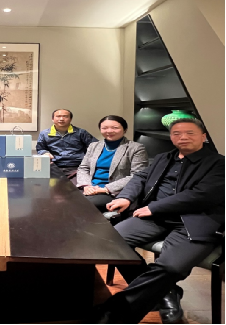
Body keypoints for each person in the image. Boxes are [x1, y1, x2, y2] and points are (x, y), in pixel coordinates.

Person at [90, 119, 225, 324]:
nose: (183, 137)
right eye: (177, 133)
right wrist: (126, 197)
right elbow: (140, 177)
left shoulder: (219, 163)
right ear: (171, 137)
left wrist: (154, 207)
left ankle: (114, 313)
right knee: (109, 243)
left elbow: (202, 195)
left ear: (203, 136)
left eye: (190, 133)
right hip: (154, 218)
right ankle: (167, 292)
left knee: (171, 267)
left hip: (193, 222)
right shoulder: (164, 157)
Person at [77, 115, 148, 212]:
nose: (109, 131)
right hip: (90, 187)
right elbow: (83, 168)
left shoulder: (136, 148)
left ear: (125, 129)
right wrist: (86, 185)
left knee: (80, 205)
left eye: (115, 128)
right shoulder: (94, 146)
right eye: (104, 128)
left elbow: (137, 175)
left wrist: (106, 189)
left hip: (114, 191)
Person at [36, 109, 98, 181]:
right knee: (46, 185)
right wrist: (45, 152)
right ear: (52, 119)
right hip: (53, 166)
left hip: (77, 167)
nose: (61, 119)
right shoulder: (44, 133)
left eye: (65, 116)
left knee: (77, 186)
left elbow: (96, 146)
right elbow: (40, 148)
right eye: (58, 116)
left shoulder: (81, 132)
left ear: (70, 119)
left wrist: (88, 159)